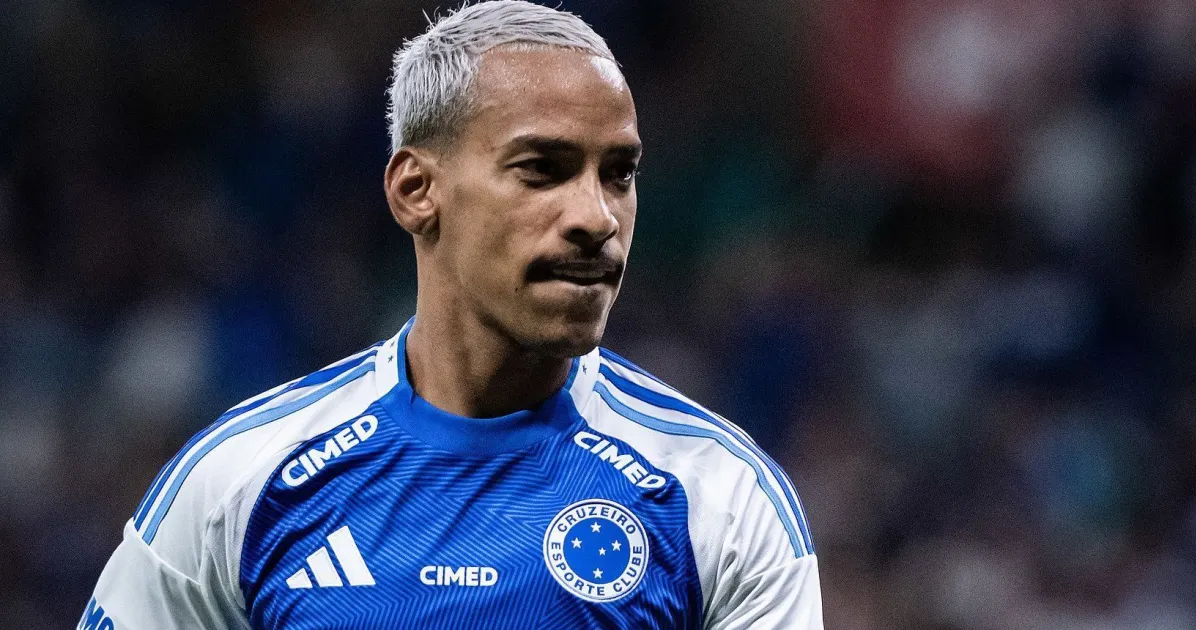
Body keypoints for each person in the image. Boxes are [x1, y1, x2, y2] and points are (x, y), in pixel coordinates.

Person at [81, 2, 822, 628]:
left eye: (619, 174)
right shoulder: (238, 483)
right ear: (415, 191)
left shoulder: (720, 501)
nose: (597, 217)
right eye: (542, 170)